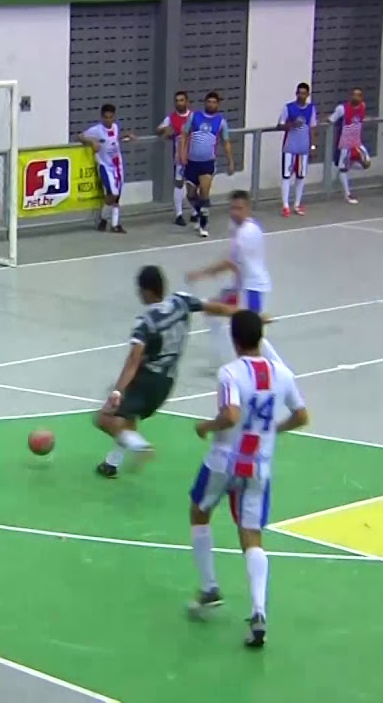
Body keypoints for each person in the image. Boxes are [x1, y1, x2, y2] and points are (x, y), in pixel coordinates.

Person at [187, 309, 309, 649]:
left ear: (234, 339)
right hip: (259, 466)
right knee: (252, 536)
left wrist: (206, 426)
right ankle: (258, 611)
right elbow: (301, 415)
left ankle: (209, 587)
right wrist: (274, 429)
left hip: (224, 461)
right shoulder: (282, 374)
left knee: (199, 512)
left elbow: (231, 414)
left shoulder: (230, 373)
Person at [94, 265, 242, 479]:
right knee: (129, 419)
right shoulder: (181, 301)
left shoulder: (146, 322)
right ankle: (111, 464)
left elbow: (133, 360)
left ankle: (140, 447)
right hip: (167, 382)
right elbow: (214, 308)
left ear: (146, 291)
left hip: (146, 380)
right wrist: (244, 314)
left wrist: (117, 392)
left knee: (104, 419)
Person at [186, 190, 286, 369]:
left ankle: (279, 368)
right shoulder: (238, 227)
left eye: (239, 208)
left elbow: (230, 263)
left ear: (248, 209)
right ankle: (221, 360)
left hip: (253, 289)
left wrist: (201, 274)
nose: (234, 212)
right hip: (241, 287)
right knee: (211, 310)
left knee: (252, 333)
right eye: (232, 208)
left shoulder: (246, 233)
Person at [178, 92, 236, 237]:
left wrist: (230, 161)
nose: (211, 104)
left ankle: (203, 224)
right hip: (192, 162)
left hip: (207, 163)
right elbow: (184, 135)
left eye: (214, 102)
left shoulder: (221, 122)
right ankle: (199, 212)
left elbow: (226, 142)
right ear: (205, 103)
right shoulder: (194, 116)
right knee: (191, 194)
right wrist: (182, 154)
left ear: (218, 104)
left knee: (204, 194)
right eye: (209, 102)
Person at [79, 103, 133, 233]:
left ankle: (114, 224)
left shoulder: (115, 127)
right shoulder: (96, 130)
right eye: (106, 117)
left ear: (114, 117)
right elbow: (81, 136)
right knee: (112, 193)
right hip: (105, 165)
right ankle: (101, 216)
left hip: (117, 165)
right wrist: (92, 142)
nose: (108, 120)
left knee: (117, 195)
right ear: (102, 117)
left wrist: (126, 135)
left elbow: (113, 139)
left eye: (110, 117)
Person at [326, 87, 372, 205]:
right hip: (345, 142)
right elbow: (331, 119)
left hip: (357, 142)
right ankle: (347, 194)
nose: (356, 97)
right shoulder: (342, 109)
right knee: (343, 168)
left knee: (366, 163)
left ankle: (346, 168)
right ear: (350, 96)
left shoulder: (363, 106)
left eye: (358, 95)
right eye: (354, 95)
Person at [277, 83, 317, 217]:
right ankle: (285, 205)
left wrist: (312, 146)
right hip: (289, 147)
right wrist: (291, 124)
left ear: (308, 94)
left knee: (300, 176)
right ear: (296, 93)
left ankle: (297, 203)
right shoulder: (288, 108)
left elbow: (312, 128)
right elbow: (280, 125)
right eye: (299, 92)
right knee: (286, 176)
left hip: (303, 148)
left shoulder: (311, 109)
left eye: (304, 93)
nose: (301, 95)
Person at [157, 91, 194, 227]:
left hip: (195, 156)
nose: (179, 103)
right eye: (177, 100)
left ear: (187, 101)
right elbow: (159, 129)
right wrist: (166, 131)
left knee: (193, 185)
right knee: (179, 184)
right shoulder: (171, 118)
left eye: (182, 100)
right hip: (180, 157)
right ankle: (178, 214)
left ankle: (195, 212)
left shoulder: (193, 116)